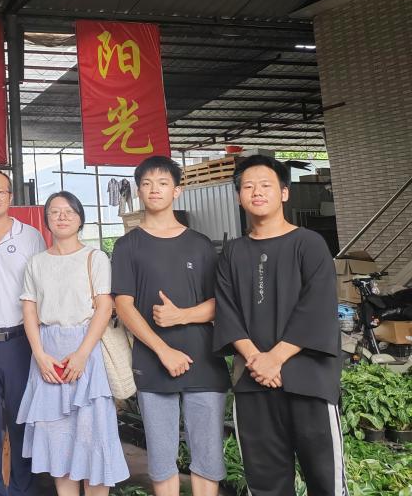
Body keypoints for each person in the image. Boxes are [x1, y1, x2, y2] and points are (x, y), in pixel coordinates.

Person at [214, 155, 345, 496]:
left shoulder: (309, 244)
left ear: (284, 193)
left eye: (265, 185)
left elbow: (318, 308)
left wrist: (275, 359)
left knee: (326, 481)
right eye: (248, 186)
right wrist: (257, 360)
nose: (256, 192)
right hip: (254, 384)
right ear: (239, 196)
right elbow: (227, 312)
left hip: (309, 382)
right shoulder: (231, 253)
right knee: (265, 484)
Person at [111, 156, 229, 496]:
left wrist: (181, 315)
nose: (154, 189)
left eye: (163, 183)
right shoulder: (127, 245)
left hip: (203, 361)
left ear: (177, 190)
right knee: (162, 460)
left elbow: (220, 304)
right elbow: (123, 305)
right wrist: (163, 350)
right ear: (138, 191)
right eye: (146, 184)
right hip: (153, 363)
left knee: (207, 458)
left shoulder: (200, 244)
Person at [17, 191, 128, 496]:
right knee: (58, 441)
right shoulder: (36, 262)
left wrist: (81, 355)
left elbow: (104, 307)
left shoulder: (95, 257)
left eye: (69, 211)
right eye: (54, 212)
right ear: (46, 220)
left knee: (93, 435)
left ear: (81, 218)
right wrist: (40, 355)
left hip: (86, 349)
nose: (62, 216)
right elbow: (29, 310)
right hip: (47, 353)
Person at [0, 170, 46, 496]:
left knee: (22, 421)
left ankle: (21, 489)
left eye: (0, 191)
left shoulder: (31, 237)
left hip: (21, 343)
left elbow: (43, 288)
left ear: (11, 196)